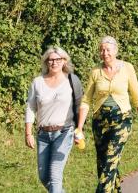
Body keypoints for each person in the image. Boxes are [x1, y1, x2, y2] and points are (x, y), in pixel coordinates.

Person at [77, 35, 138, 193]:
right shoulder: (95, 71)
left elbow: (136, 95)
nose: (105, 53)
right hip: (100, 122)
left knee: (110, 160)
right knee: (104, 163)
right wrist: (80, 128)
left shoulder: (127, 68)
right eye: (102, 50)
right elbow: (86, 100)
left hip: (122, 120)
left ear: (115, 51)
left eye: (108, 50)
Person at [24, 46, 86, 193]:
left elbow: (81, 105)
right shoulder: (37, 82)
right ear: (46, 62)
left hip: (64, 132)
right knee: (44, 177)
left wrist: (80, 129)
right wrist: (28, 133)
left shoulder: (72, 80)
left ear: (64, 61)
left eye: (58, 59)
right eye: (50, 60)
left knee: (55, 175)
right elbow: (31, 107)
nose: (54, 62)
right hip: (43, 135)